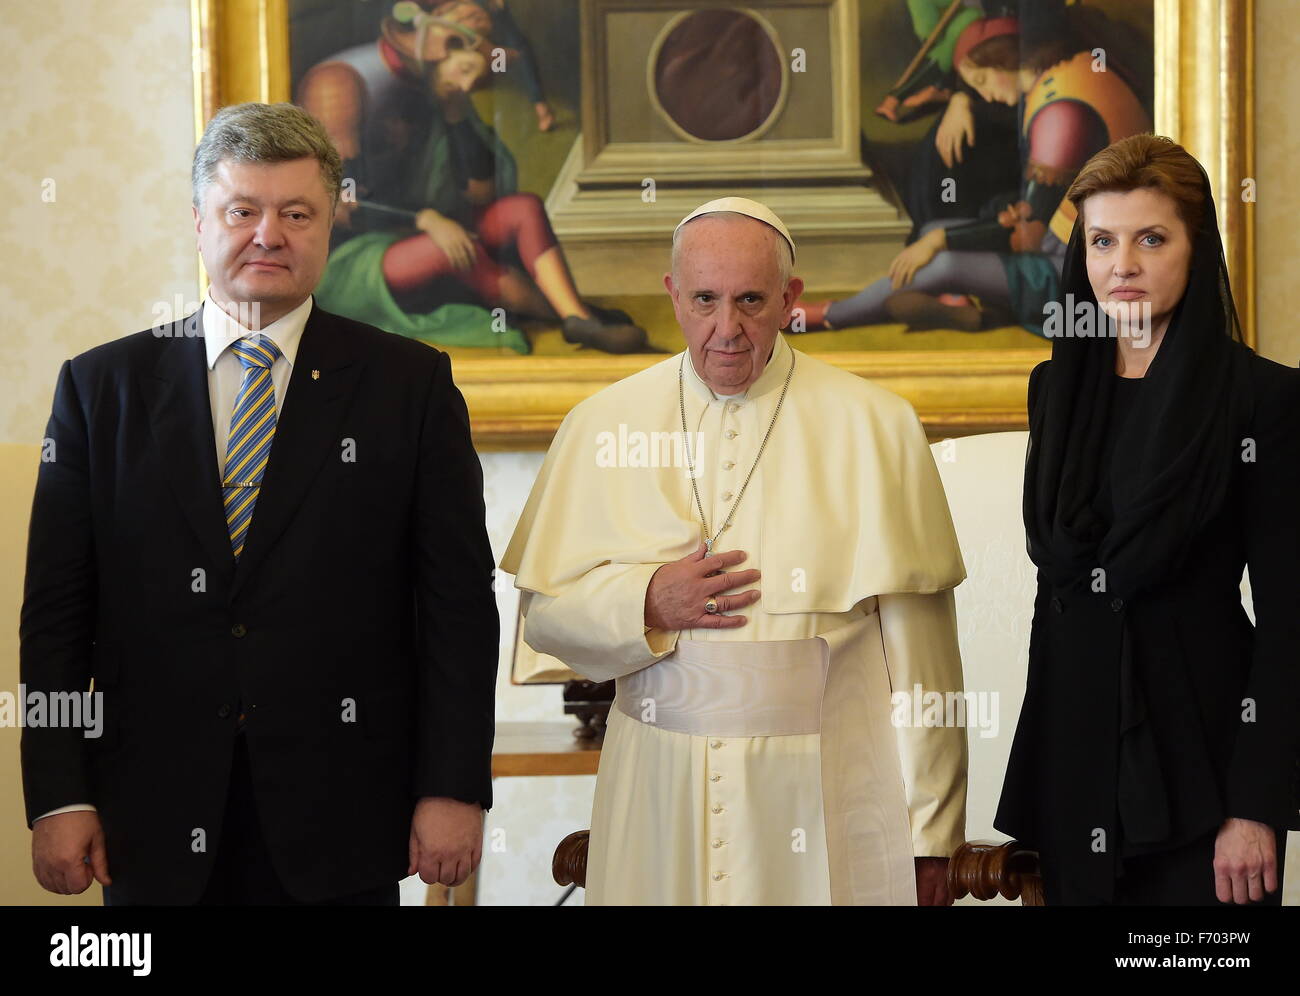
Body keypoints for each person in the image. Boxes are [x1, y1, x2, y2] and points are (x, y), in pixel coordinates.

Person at [21, 102, 499, 905]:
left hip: (343, 816)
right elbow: (57, 615)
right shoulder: (101, 388)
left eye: (297, 212)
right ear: (199, 222)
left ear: (332, 224)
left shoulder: (408, 386)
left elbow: (454, 603)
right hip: (150, 816)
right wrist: (61, 795)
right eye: (242, 210)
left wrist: (453, 787)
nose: (268, 234)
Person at [501, 197, 969, 905]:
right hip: (657, 790)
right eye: (705, 300)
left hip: (828, 789)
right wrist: (647, 600)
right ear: (672, 296)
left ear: (790, 298)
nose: (728, 329)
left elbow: (924, 661)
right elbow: (545, 622)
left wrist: (931, 837)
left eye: (752, 300)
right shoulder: (603, 424)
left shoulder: (877, 425)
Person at [994, 133, 1300, 905]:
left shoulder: (1264, 399)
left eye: (1150, 238)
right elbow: (1052, 603)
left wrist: (1256, 807)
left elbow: (1292, 621)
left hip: (1204, 778)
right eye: (1102, 241)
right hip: (1074, 774)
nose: (1121, 265)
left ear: (1195, 249)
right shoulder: (1052, 389)